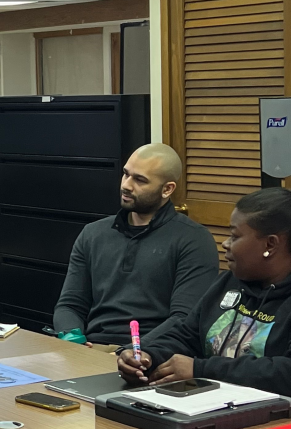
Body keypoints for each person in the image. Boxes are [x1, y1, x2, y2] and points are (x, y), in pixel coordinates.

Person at [118, 188, 291, 395]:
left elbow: (285, 372)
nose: (225, 244)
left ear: (270, 244)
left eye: (235, 236)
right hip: (209, 405)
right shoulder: (229, 282)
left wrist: (200, 370)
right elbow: (187, 335)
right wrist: (148, 356)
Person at [53, 143, 219, 349]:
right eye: (126, 174)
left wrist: (130, 353)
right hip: (93, 346)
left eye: (140, 180)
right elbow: (70, 304)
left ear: (167, 189)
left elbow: (183, 319)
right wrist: (73, 339)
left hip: (155, 352)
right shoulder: (93, 233)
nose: (126, 185)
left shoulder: (194, 240)